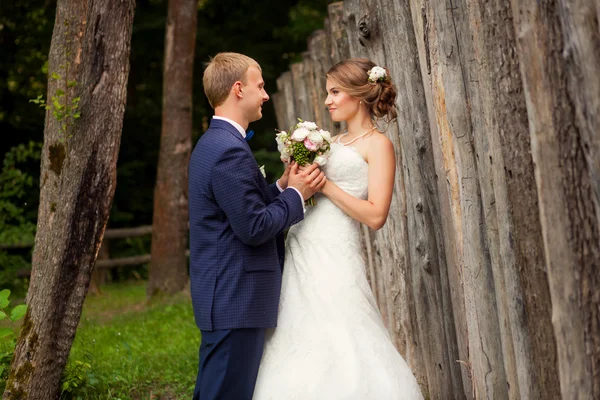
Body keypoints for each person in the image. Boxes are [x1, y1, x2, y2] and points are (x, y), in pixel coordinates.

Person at [253, 58, 424, 399]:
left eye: (335, 92)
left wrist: (325, 186)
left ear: (359, 95)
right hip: (301, 243)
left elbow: (376, 215)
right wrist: (293, 175)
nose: (328, 100)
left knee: (343, 328)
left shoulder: (379, 145)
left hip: (336, 249)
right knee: (297, 329)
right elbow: (302, 192)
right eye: (327, 92)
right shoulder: (330, 141)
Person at [188, 52, 326, 400]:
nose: (265, 95)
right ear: (238, 89)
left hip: (226, 295)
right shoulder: (228, 151)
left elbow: (238, 208)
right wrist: (297, 194)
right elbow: (253, 227)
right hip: (236, 297)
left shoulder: (215, 142)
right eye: (260, 86)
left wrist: (280, 187)